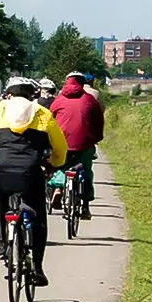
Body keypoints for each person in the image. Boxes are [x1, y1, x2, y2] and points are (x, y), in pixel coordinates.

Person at [0, 77, 67, 287]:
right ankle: (37, 268)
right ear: (32, 95)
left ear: (8, 93)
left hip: (3, 172)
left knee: (0, 203)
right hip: (31, 174)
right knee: (38, 218)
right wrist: (55, 164)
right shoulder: (42, 114)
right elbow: (60, 148)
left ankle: (3, 244)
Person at [51, 74, 105, 219]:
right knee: (86, 170)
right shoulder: (89, 99)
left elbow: (51, 119)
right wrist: (97, 137)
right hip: (84, 142)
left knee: (61, 165)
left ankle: (58, 188)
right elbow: (99, 120)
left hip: (62, 143)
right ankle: (85, 207)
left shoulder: (58, 100)